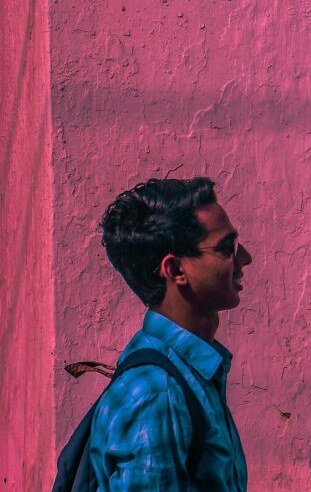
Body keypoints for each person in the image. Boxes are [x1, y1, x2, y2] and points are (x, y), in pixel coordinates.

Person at [89, 177, 253, 490]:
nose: (244, 258)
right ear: (176, 270)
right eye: (226, 248)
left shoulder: (184, 371)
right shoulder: (158, 394)